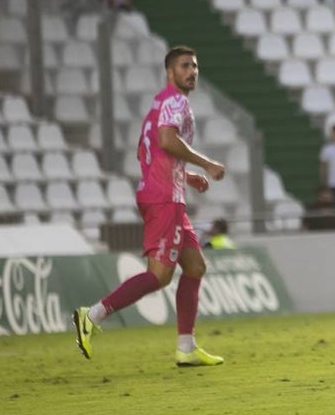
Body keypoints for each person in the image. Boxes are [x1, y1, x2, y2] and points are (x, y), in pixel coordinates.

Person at [72, 46, 227, 366]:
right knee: (158, 276)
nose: (192, 71)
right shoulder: (175, 102)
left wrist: (189, 175)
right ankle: (92, 315)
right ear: (170, 72)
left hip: (167, 195)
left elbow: (149, 154)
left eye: (195, 66)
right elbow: (168, 141)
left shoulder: (157, 105)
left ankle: (186, 347)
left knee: (195, 266)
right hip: (163, 199)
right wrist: (208, 163)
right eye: (185, 66)